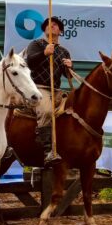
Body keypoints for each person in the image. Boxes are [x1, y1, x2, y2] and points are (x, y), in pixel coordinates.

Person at [26, 16, 73, 165]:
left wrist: (70, 67)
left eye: (54, 25)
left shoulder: (64, 51)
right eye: (47, 25)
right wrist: (44, 53)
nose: (50, 26)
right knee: (46, 111)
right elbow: (29, 62)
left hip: (57, 90)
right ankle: (48, 151)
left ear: (60, 31)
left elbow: (68, 75)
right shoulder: (36, 44)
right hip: (39, 88)